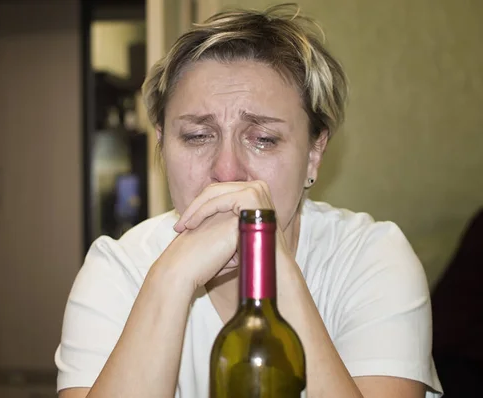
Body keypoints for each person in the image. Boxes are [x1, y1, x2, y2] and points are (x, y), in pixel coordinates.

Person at [55, 4, 443, 398]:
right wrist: (170, 279)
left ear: (314, 153)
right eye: (197, 136)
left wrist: (277, 269)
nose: (227, 171)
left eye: (263, 139)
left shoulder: (371, 258)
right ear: (162, 144)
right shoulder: (117, 270)